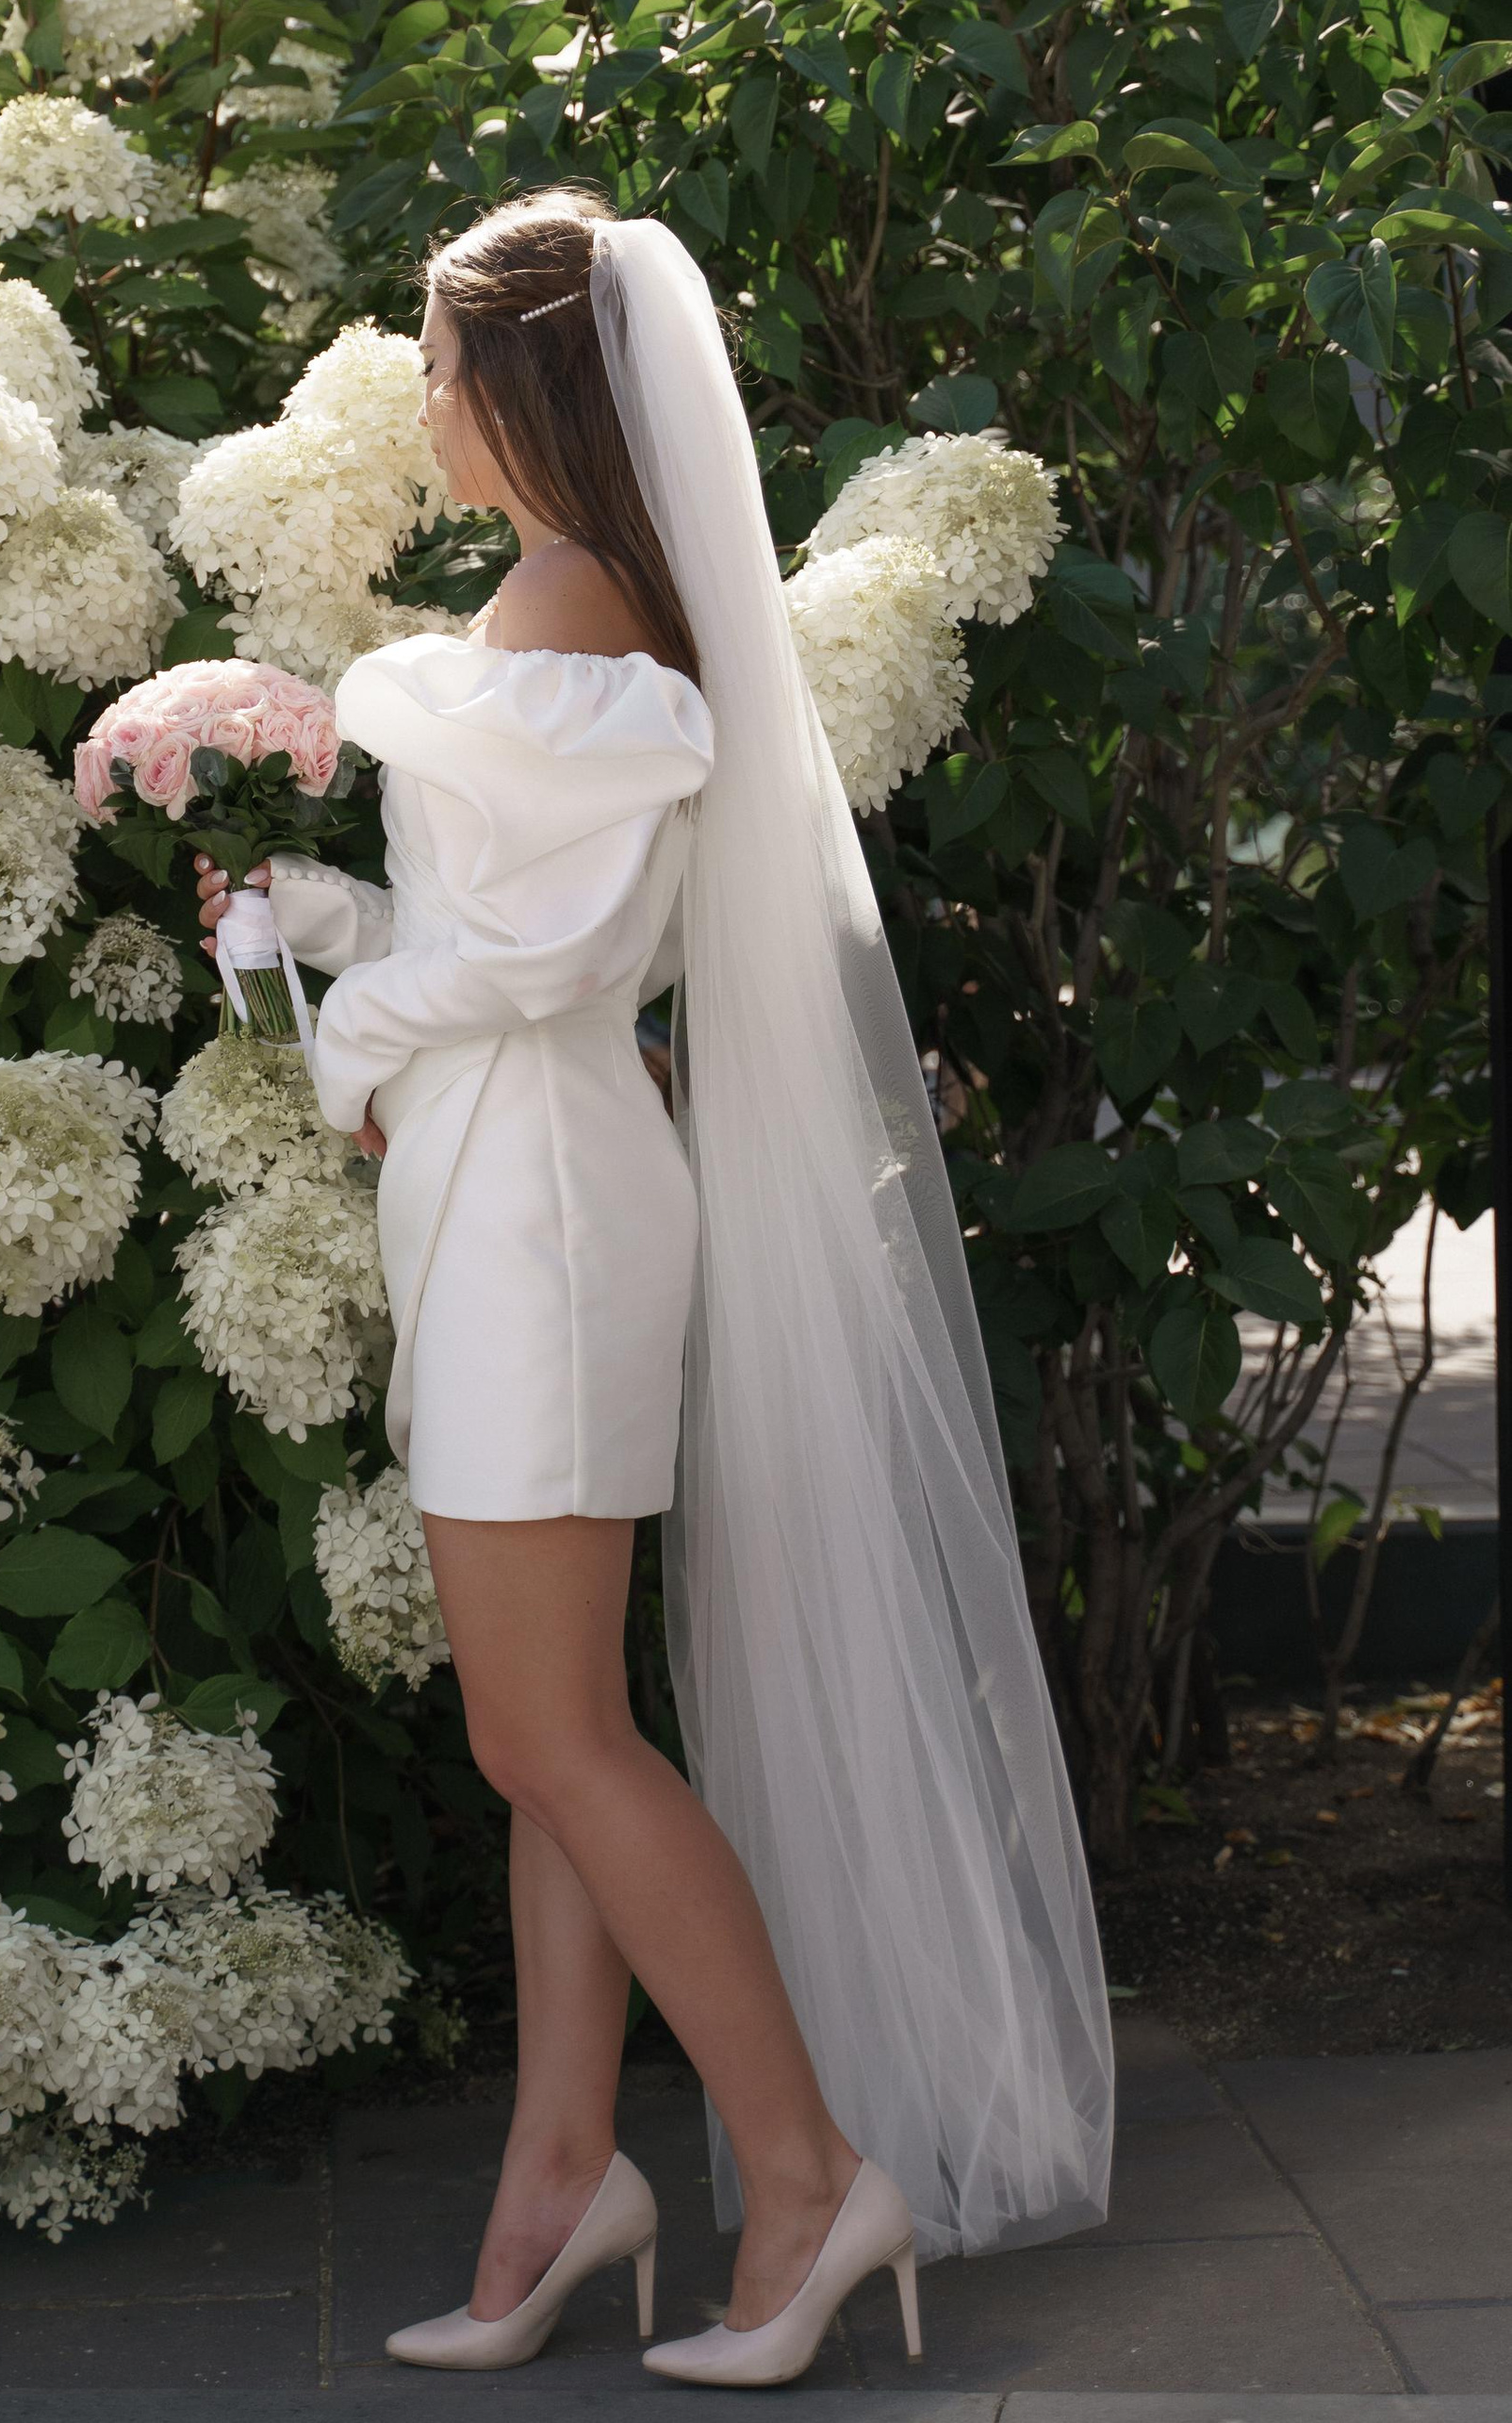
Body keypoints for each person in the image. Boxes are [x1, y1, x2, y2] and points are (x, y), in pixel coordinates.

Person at [196, 190, 1112, 2386]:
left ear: (521, 385)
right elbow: (478, 916)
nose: (417, 397)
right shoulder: (547, 605)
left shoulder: (584, 619)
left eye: (432, 361)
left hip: (544, 1203)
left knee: (548, 1730)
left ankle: (800, 2172)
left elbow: (559, 962)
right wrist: (307, 914)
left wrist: (354, 1032)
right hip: (510, 1180)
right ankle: (562, 2174)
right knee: (557, 1733)